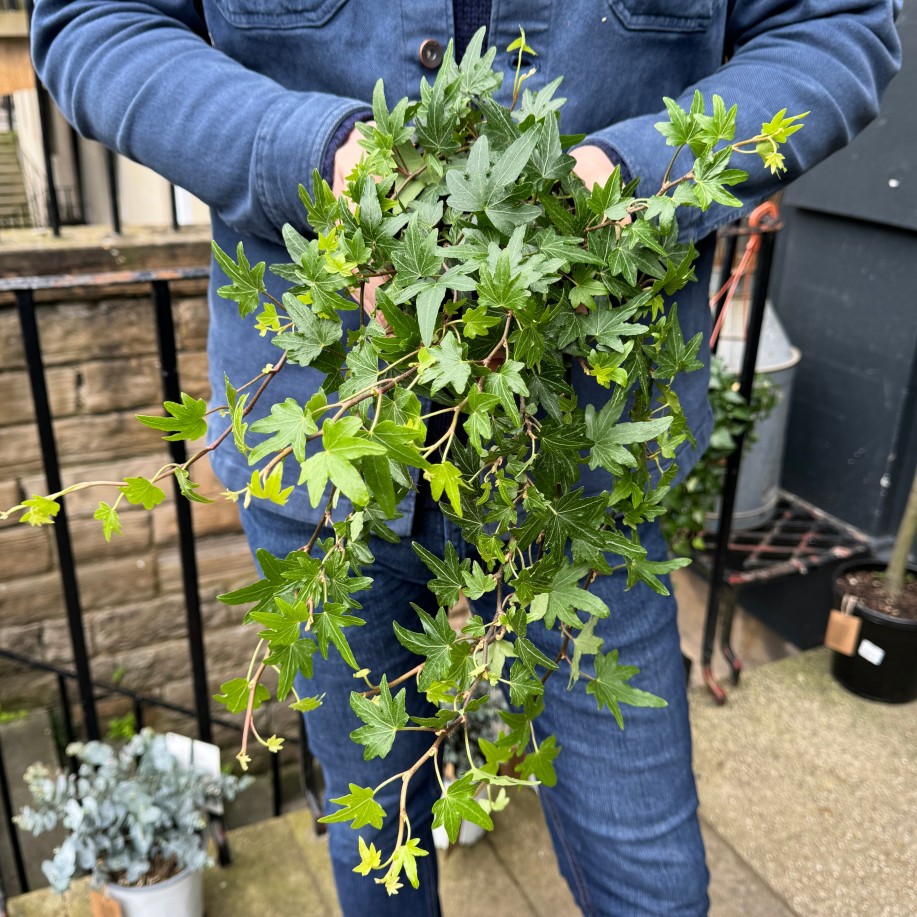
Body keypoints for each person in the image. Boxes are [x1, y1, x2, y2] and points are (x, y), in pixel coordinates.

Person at [31, 3, 901, 914]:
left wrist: (631, 177)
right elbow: (97, 23)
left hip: (582, 479)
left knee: (651, 880)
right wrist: (314, 155)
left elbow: (833, 31)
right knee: (377, 844)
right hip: (328, 454)